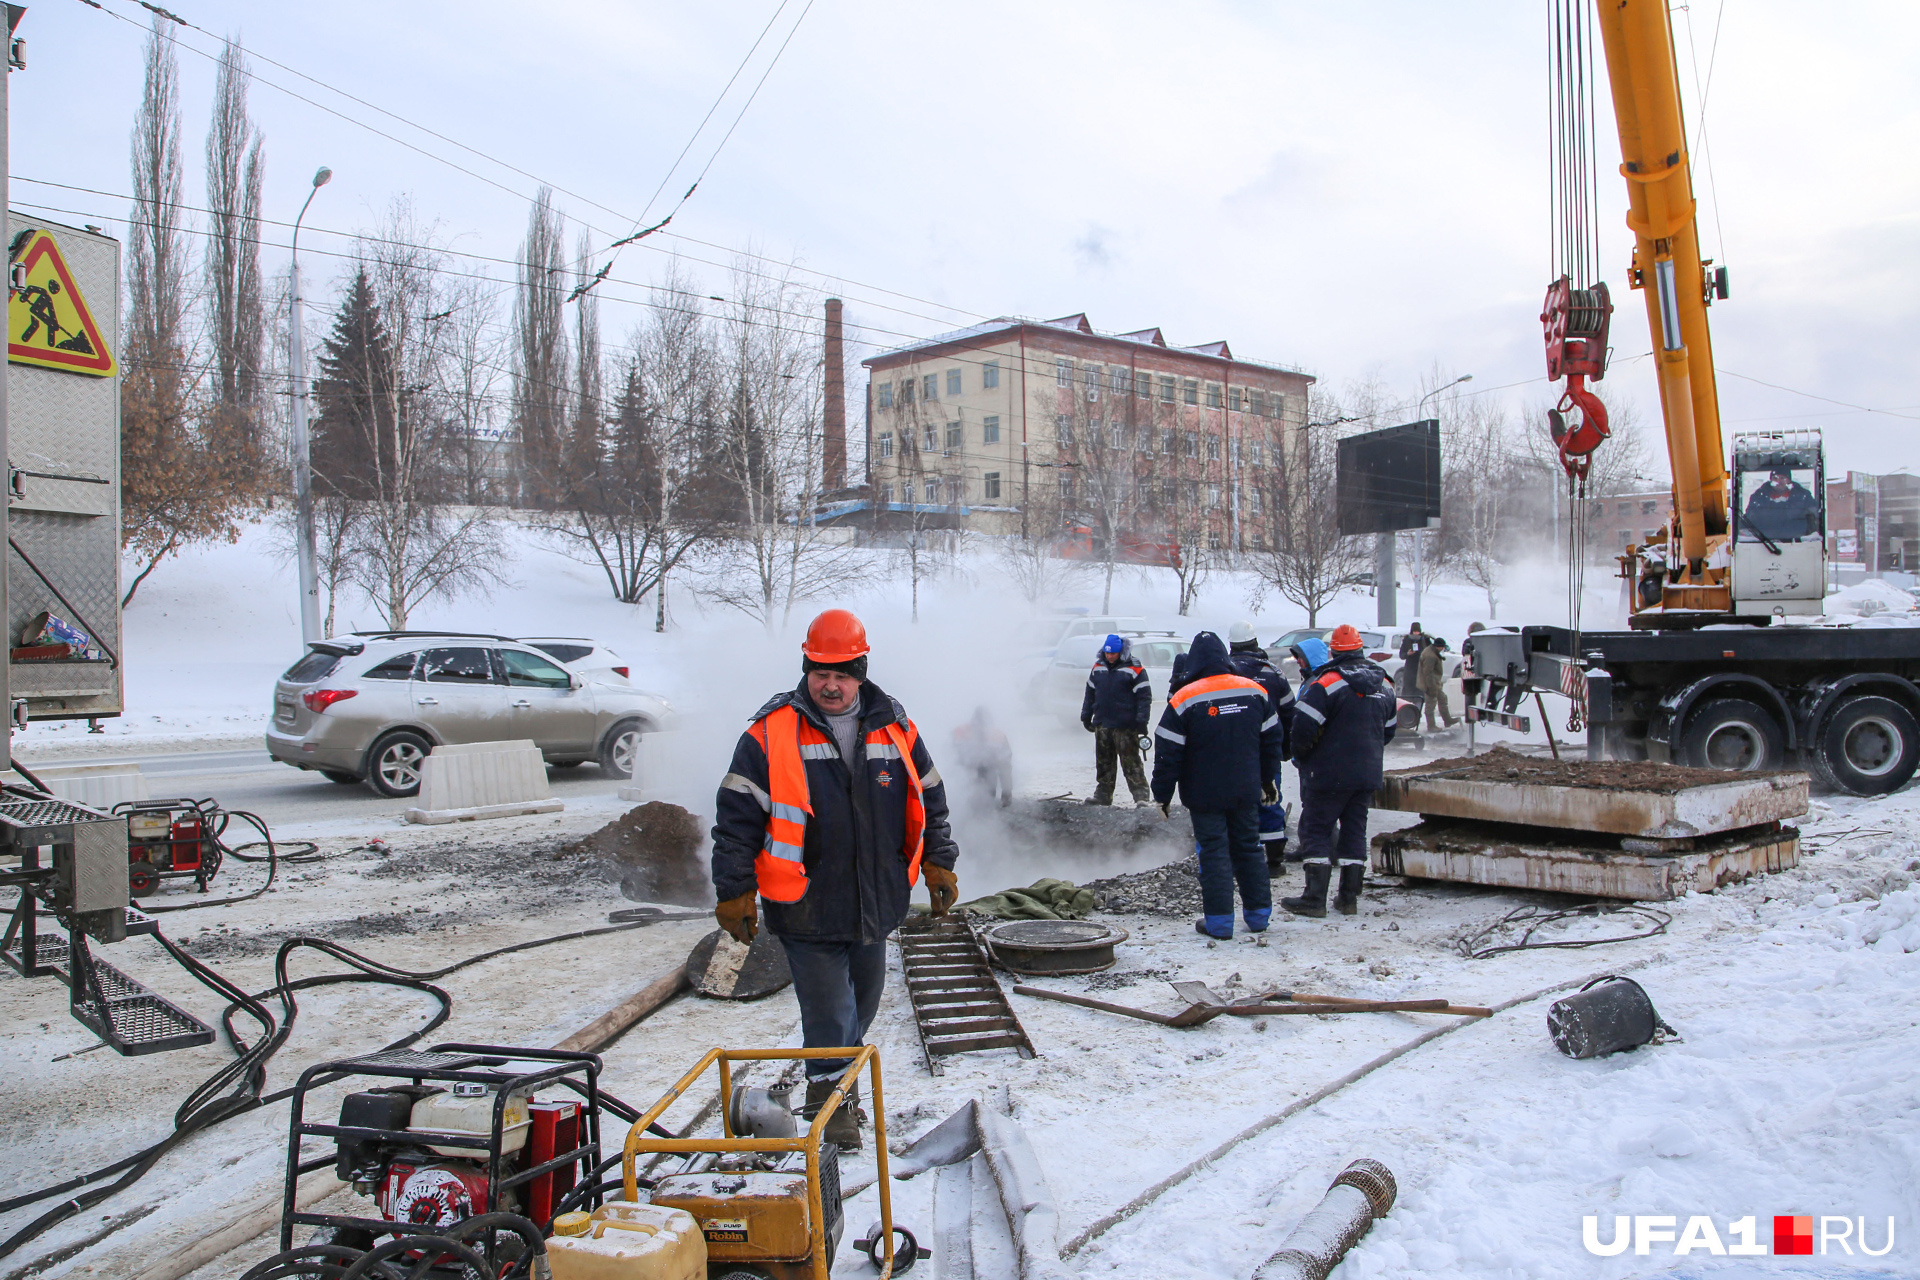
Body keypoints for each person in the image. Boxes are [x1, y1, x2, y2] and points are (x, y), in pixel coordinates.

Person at [710, 608, 960, 1149]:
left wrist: (941, 860)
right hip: (805, 902)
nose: (830, 683)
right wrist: (733, 889)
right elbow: (735, 820)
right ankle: (832, 1110)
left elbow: (930, 798)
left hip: (875, 900)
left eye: (842, 673)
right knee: (830, 1010)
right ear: (806, 668)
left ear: (861, 671)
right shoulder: (768, 734)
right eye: (820, 671)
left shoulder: (896, 726)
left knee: (862, 1003)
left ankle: (835, 1083)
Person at [1150, 631, 1285, 939]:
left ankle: (1220, 923)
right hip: (1246, 789)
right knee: (1249, 848)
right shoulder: (1255, 691)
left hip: (1205, 793)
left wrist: (1162, 796)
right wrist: (1267, 780)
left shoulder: (1184, 698)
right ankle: (1259, 917)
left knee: (1213, 853)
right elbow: (1271, 740)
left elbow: (1168, 753)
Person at [1283, 624, 1396, 919]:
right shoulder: (1385, 684)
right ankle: (1348, 899)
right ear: (1361, 649)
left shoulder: (1326, 683)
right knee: (1354, 831)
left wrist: (1303, 756)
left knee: (1316, 830)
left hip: (1328, 774)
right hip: (1367, 774)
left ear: (1333, 652)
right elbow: (1389, 731)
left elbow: (1303, 728)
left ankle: (1314, 899)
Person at [1226, 620, 1294, 875]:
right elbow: (1289, 713)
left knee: (1236, 801)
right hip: (1267, 748)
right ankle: (1274, 861)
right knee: (1269, 798)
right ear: (1255, 643)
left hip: (1233, 752)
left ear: (1231, 645)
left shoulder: (1226, 673)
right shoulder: (1273, 673)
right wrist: (1286, 748)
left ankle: (1240, 858)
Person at [1080, 634, 1152, 806]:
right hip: (1103, 723)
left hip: (1125, 725)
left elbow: (1144, 697)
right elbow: (1090, 692)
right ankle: (1103, 795)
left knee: (1131, 763)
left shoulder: (1135, 669)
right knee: (1104, 762)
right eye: (1107, 653)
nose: (1110, 656)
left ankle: (1141, 797)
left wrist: (1142, 721)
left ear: (1121, 651)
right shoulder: (1098, 667)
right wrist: (1086, 714)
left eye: (1114, 653)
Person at [951, 706, 1013, 808]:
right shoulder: (959, 732)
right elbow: (949, 758)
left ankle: (984, 819)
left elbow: (1005, 765)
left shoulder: (997, 736)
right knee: (969, 805)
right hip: (966, 777)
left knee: (986, 804)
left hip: (988, 776)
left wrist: (1007, 790)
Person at [1743, 468, 1820, 543]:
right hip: (1763, 545)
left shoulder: (1804, 497)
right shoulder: (1758, 498)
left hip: (1799, 545)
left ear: (1789, 480)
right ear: (1771, 480)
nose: (1778, 481)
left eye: (1782, 478)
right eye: (1775, 478)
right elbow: (1749, 520)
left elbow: (1815, 520)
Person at [1419, 636, 1456, 731]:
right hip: (1430, 684)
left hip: (1434, 682)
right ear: (1438, 647)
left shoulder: (1432, 652)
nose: (1443, 649)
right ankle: (1431, 726)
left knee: (1442, 698)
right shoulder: (1430, 656)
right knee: (1430, 704)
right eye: (1442, 647)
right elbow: (1428, 673)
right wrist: (1431, 687)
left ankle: (1447, 720)